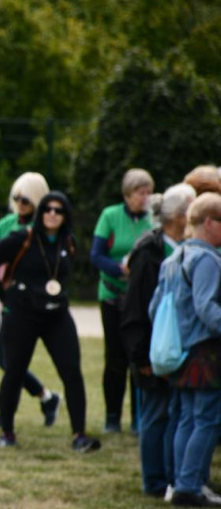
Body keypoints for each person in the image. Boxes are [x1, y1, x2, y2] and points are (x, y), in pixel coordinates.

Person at [0, 191, 102, 453]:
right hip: (22, 313)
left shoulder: (68, 242)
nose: (52, 214)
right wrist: (0, 296)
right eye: (47, 209)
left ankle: (79, 434)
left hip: (57, 313)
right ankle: (7, 431)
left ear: (65, 215)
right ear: (40, 213)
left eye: (59, 210)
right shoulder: (23, 238)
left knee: (72, 371)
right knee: (14, 371)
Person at [120, 184, 197, 498]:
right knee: (155, 413)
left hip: (179, 347)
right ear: (179, 216)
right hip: (152, 349)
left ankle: (173, 476)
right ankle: (154, 481)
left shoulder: (185, 247)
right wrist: (141, 358)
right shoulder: (149, 252)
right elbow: (135, 308)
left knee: (175, 413)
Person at [149, 192, 221, 508]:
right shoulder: (206, 259)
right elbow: (207, 307)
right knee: (206, 419)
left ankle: (183, 482)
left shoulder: (173, 257)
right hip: (204, 350)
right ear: (209, 222)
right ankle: (190, 485)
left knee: (187, 419)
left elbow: (155, 308)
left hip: (179, 351)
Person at [0, 172, 59, 429]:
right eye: (16, 197)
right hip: (4, 299)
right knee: (8, 361)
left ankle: (34, 403)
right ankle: (45, 398)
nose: (19, 203)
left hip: (26, 302)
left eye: (25, 199)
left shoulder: (41, 228)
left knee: (10, 361)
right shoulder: (9, 223)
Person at [90, 168, 154, 433]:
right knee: (115, 358)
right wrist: (120, 269)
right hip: (113, 296)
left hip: (142, 298)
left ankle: (139, 419)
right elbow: (96, 255)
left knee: (139, 357)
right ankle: (112, 417)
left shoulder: (154, 219)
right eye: (141, 192)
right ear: (128, 194)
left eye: (149, 192)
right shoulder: (110, 216)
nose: (146, 197)